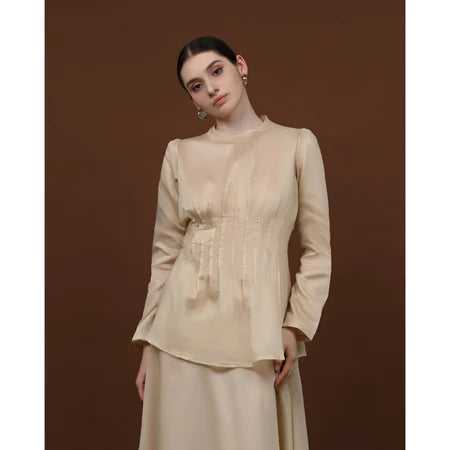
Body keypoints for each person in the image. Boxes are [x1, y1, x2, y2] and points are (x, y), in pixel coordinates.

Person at [132, 35, 332, 450]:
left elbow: (317, 251)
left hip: (257, 338)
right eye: (196, 86)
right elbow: (165, 255)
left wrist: (295, 325)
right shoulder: (180, 154)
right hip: (177, 336)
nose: (211, 88)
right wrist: (149, 343)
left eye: (216, 71)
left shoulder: (297, 144)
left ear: (240, 66)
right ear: (193, 100)